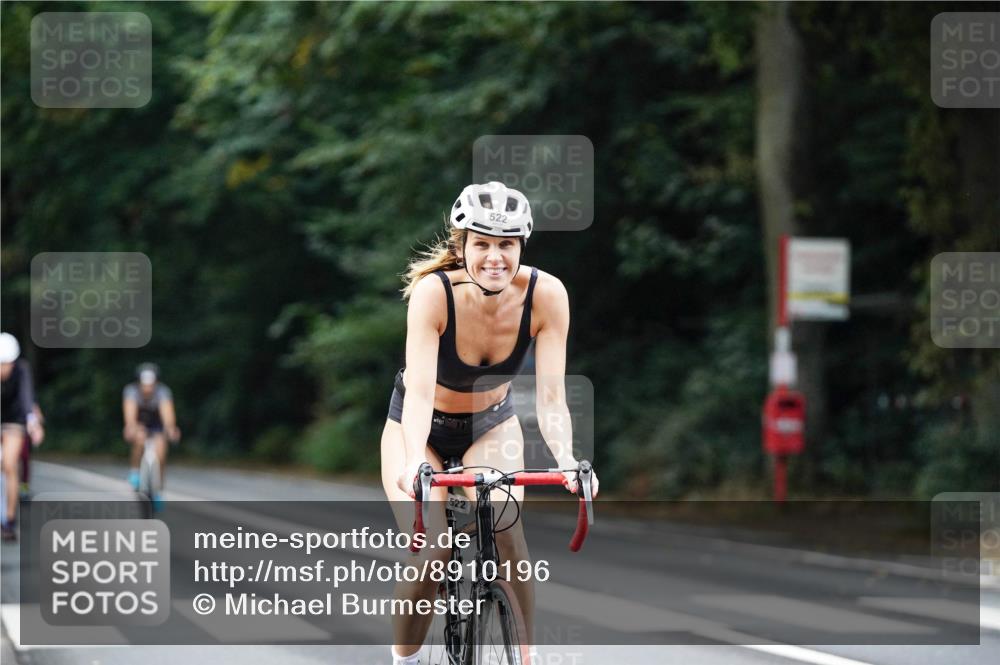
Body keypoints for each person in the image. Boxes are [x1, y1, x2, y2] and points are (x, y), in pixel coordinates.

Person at [381, 182, 599, 665]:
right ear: (462, 247)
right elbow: (418, 393)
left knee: (509, 536)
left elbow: (550, 398)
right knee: (433, 552)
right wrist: (416, 461)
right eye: (482, 244)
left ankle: (526, 655)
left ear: (522, 246)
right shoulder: (433, 294)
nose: (495, 257)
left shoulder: (547, 296)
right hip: (418, 427)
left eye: (506, 245)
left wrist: (566, 460)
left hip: (489, 424)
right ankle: (406, 660)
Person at [0, 332, 44, 541]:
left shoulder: (22, 370)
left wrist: (33, 424)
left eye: (6, 364)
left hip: (14, 419)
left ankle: (9, 520)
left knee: (9, 465)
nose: (3, 369)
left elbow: (27, 399)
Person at [122, 363, 180, 507]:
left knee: (161, 453)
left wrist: (171, 429)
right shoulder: (131, 391)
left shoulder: (163, 392)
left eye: (151, 385)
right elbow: (130, 415)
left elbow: (168, 415)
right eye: (144, 385)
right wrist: (131, 427)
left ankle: (158, 490)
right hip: (139, 423)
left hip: (156, 425)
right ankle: (135, 471)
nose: (147, 389)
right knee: (139, 439)